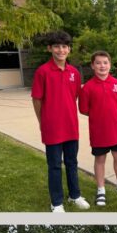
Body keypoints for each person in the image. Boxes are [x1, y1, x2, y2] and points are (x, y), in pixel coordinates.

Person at [31, 30, 90, 214]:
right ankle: (56, 202)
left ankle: (75, 195)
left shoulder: (74, 72)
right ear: (50, 48)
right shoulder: (43, 72)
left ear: (69, 50)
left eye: (64, 46)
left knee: (72, 162)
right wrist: (43, 122)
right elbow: (37, 99)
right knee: (55, 165)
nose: (61, 50)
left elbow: (77, 98)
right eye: (56, 46)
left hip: (71, 126)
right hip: (52, 128)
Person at [79, 51, 117, 207]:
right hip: (98, 132)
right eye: (98, 63)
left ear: (110, 65)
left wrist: (111, 114)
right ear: (92, 66)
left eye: (105, 62)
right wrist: (100, 115)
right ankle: (101, 190)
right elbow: (83, 109)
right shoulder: (88, 88)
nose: (102, 66)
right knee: (100, 160)